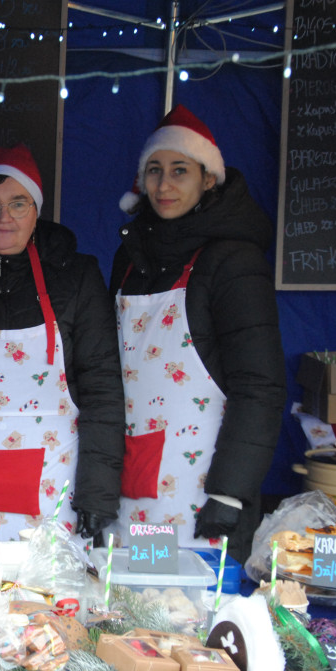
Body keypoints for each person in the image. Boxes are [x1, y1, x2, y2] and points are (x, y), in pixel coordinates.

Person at [0, 142, 125, 543]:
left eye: (18, 203)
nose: (4, 218)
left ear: (36, 212)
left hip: (52, 483)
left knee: (44, 602)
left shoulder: (77, 277)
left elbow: (102, 389)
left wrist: (97, 495)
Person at [109, 104, 285, 563]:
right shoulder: (128, 260)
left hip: (203, 490)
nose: (164, 186)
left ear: (208, 178)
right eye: (154, 171)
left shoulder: (234, 262)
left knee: (189, 622)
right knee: (133, 621)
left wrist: (230, 493)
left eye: (179, 171)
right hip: (136, 478)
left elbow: (259, 386)